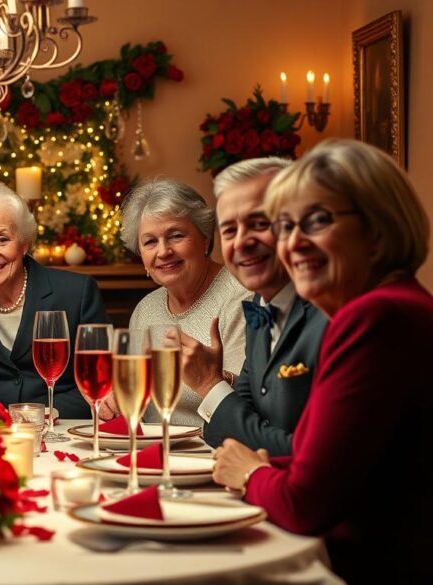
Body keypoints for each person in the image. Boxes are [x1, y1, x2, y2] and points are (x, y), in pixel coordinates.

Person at [213, 139, 433, 581]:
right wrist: (261, 468)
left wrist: (252, 473)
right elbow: (328, 462)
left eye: (316, 221)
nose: (293, 242)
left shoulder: (375, 316)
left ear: (377, 232)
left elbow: (305, 505)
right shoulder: (392, 305)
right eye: (286, 225)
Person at [185, 158, 327, 456]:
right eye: (229, 230)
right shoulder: (258, 307)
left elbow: (306, 453)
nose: (241, 242)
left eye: (259, 223)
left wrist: (209, 385)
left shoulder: (332, 312)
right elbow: (234, 431)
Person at [0, 184, 109, 417]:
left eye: (2, 239)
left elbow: (101, 382)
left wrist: (48, 412)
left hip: (65, 431)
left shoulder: (77, 292)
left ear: (25, 243)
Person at [120, 179, 251, 426]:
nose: (163, 251)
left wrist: (212, 377)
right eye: (150, 242)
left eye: (176, 235)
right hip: (155, 451)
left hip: (214, 452)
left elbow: (250, 398)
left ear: (204, 239)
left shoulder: (241, 298)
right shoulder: (145, 310)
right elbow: (136, 399)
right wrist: (116, 400)